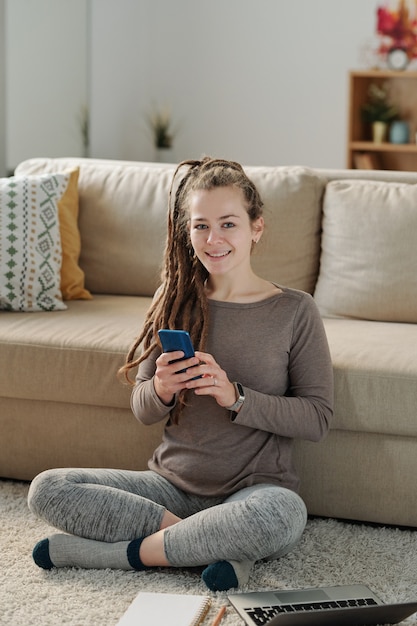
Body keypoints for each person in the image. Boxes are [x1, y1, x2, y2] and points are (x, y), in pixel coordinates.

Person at [28, 157, 333, 592]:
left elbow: (317, 418)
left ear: (256, 228)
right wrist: (162, 389)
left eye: (228, 224)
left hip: (253, 492)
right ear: (187, 233)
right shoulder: (174, 299)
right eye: (200, 226)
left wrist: (235, 397)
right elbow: (142, 408)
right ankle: (209, 549)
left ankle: (118, 555)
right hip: (168, 488)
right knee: (48, 487)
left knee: (279, 517)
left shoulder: (294, 310)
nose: (213, 239)